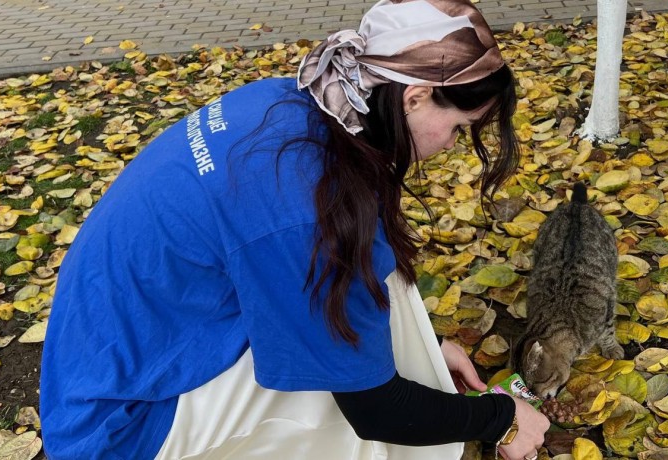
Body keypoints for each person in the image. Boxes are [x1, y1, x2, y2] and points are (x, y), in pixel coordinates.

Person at [39, 0, 550, 459]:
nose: (453, 147)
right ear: (414, 97)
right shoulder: (313, 209)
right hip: (119, 428)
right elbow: (376, 411)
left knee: (371, 280)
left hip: (105, 360)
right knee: (341, 414)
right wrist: (502, 421)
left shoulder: (295, 101)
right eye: (459, 128)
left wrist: (422, 354)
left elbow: (329, 277)